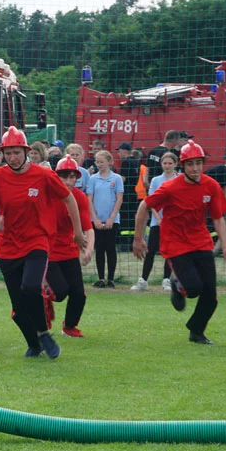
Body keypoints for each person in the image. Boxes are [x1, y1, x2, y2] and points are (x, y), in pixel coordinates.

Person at [0, 127, 84, 359]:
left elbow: (69, 198)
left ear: (26, 151)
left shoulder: (43, 175)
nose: (13, 157)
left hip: (37, 242)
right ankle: (34, 344)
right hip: (7, 247)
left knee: (30, 286)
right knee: (18, 310)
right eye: (8, 153)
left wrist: (77, 231)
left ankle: (45, 333)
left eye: (17, 152)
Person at [133, 140, 226, 345]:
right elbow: (144, 206)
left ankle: (196, 331)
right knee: (194, 288)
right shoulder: (170, 187)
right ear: (183, 165)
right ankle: (177, 284)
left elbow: (217, 218)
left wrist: (225, 246)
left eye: (199, 163)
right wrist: (138, 239)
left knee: (211, 297)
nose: (195, 168)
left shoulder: (211, 185)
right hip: (176, 244)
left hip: (201, 242)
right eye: (190, 164)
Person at [47, 156, 94, 337]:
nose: (68, 181)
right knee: (59, 292)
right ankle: (43, 299)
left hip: (69, 251)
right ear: (56, 177)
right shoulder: (48, 195)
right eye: (64, 177)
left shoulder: (80, 197)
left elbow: (88, 228)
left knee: (79, 294)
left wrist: (88, 249)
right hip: (48, 252)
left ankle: (69, 326)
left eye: (72, 177)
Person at [131, 151, 177, 292]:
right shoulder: (156, 180)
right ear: (161, 164)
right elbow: (150, 201)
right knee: (151, 250)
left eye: (170, 163)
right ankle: (143, 280)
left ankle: (166, 279)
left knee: (170, 251)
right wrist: (158, 218)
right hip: (157, 222)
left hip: (173, 222)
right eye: (165, 163)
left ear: (175, 164)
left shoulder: (179, 179)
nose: (167, 166)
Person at [87, 150, 123, 288]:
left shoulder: (117, 179)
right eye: (97, 162)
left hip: (112, 220)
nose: (99, 164)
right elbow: (89, 199)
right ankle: (101, 278)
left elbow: (119, 198)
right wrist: (95, 218)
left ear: (110, 162)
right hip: (97, 219)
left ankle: (111, 279)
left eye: (102, 162)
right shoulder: (93, 179)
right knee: (99, 248)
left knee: (111, 248)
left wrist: (112, 218)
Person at [116, 142, 141, 249]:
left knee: (125, 219)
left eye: (119, 151)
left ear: (124, 151)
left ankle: (124, 244)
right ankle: (132, 243)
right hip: (134, 193)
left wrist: (114, 179)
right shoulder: (136, 162)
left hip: (126, 194)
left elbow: (123, 179)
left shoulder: (126, 162)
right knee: (132, 219)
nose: (118, 154)